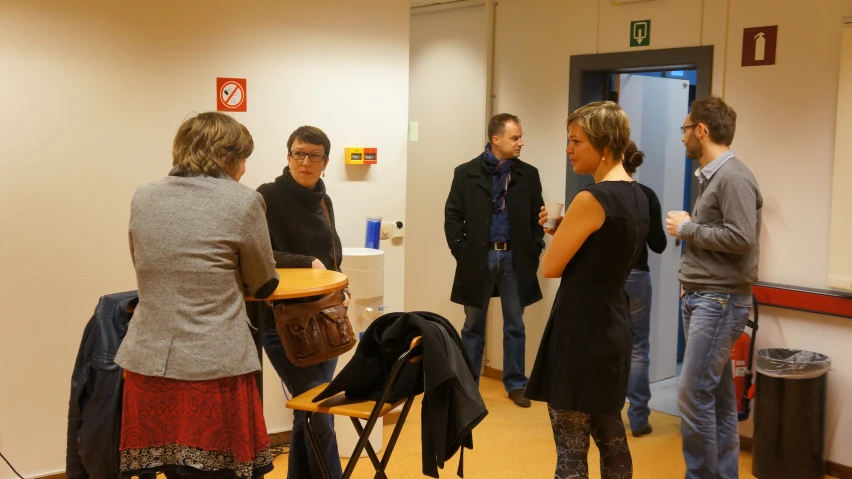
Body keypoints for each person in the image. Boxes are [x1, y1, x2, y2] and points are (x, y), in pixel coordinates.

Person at [114, 112, 280, 479]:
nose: (244, 170)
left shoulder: (144, 195)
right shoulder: (243, 201)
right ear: (227, 157)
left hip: (149, 361)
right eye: (243, 159)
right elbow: (263, 283)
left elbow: (142, 261)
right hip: (214, 363)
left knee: (168, 469)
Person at [526, 101, 648, 479]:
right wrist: (563, 228)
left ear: (605, 146)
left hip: (581, 329)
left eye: (576, 141)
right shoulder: (638, 195)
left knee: (571, 450)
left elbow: (551, 267)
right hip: (613, 323)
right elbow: (603, 248)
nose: (569, 149)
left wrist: (559, 231)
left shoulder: (591, 198)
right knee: (611, 435)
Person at [666, 96, 762, 479]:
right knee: (719, 399)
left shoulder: (734, 177)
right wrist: (690, 279)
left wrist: (688, 229)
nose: (683, 138)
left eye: (686, 129)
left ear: (701, 131)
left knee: (691, 396)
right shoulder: (714, 177)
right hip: (704, 295)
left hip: (719, 301)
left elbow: (741, 238)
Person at [255, 125, 349, 479]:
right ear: (288, 156)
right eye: (298, 153)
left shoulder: (324, 200)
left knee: (308, 409)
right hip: (284, 321)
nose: (305, 161)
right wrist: (304, 261)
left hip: (325, 316)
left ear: (325, 162)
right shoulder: (266, 197)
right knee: (319, 407)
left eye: (313, 155)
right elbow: (258, 252)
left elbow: (332, 253)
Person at [444, 113, 545, 408]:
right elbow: (452, 217)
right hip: (478, 257)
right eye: (515, 138)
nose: (521, 143)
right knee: (473, 325)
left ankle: (515, 383)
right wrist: (461, 252)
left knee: (515, 323)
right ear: (496, 139)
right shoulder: (465, 173)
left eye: (521, 137)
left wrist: (534, 248)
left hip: (515, 257)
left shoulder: (528, 174)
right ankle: (468, 383)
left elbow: (537, 219)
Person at [621, 141, 667, 437]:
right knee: (638, 349)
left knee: (607, 347)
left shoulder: (598, 194)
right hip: (637, 276)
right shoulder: (646, 195)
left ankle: (607, 415)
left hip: (606, 279)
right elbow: (658, 244)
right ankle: (638, 420)